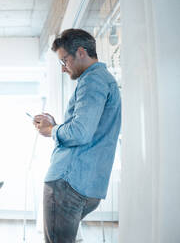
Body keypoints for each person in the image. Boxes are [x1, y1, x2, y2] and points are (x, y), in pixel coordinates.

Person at [33, 28, 121, 243]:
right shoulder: (104, 79)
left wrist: (51, 130)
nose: (64, 69)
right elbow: (88, 128)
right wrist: (56, 125)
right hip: (87, 183)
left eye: (65, 61)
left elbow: (80, 133)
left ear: (81, 52)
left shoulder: (92, 81)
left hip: (68, 183)